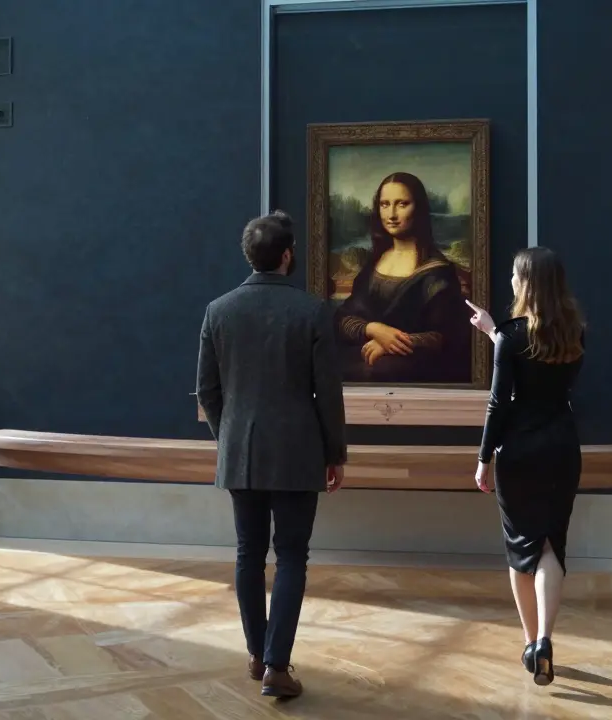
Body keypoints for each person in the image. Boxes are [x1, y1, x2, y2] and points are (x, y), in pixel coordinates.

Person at [195, 209, 348, 699]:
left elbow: (207, 390)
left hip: (241, 450)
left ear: (250, 256)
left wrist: (229, 436)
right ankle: (277, 667)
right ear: (287, 256)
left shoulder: (218, 310)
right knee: (291, 556)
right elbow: (328, 393)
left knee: (248, 554)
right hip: (299, 452)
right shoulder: (313, 311)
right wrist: (335, 453)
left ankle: (258, 654)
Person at [466, 246, 585, 686]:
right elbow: (540, 364)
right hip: (562, 448)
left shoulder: (512, 337)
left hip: (519, 453)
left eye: (516, 277)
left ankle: (531, 642)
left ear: (528, 283)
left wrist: (482, 458)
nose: (511, 283)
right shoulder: (575, 332)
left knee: (521, 550)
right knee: (551, 545)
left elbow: (500, 404)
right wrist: (494, 332)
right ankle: (548, 640)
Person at [333, 172, 471, 383]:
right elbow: (343, 318)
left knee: (377, 370)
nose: (392, 214)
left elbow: (444, 337)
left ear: (419, 209)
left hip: (415, 366)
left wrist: (390, 343)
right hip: (364, 354)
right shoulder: (372, 265)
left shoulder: (437, 271)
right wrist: (374, 330)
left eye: (402, 204)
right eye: (385, 204)